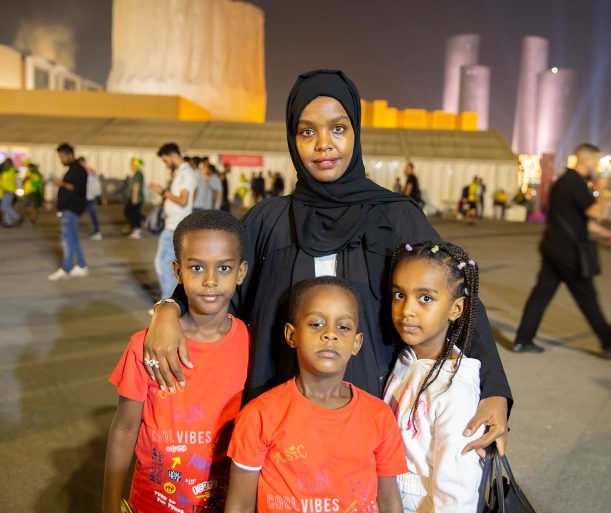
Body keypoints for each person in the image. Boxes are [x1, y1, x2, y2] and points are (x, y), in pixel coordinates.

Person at [145, 70, 511, 456]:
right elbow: (217, 288)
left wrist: (494, 390)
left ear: (355, 133)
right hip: (277, 421)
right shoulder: (268, 220)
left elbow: (454, 295)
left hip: (371, 419)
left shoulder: (396, 216)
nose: (323, 144)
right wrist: (169, 310)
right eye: (307, 132)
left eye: (338, 128)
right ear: (292, 138)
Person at [104, 210, 250, 513]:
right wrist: (108, 504)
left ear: (241, 272)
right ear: (178, 271)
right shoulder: (145, 346)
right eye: (197, 267)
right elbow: (124, 430)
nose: (210, 280)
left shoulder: (253, 346)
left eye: (224, 268)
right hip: (150, 504)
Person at [224, 277, 406, 513]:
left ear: (356, 342)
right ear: (292, 335)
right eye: (316, 324)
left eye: (343, 327)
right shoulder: (260, 415)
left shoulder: (379, 415)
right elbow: (240, 505)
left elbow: (390, 503)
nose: (330, 334)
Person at [384, 241, 484, 512]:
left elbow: (457, 489)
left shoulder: (455, 390)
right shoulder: (408, 357)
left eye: (425, 298)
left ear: (457, 308)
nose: (407, 310)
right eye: (399, 295)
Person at [512, 144, 611, 359]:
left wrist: (604, 233)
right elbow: (595, 212)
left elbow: (574, 220)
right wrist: (604, 189)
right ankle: (609, 343)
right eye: (596, 161)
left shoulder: (564, 183)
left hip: (554, 247)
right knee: (587, 297)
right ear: (586, 160)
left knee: (541, 296)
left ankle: (523, 341)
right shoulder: (575, 183)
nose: (597, 166)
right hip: (568, 253)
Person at [149, 143, 197, 306]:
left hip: (175, 227)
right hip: (173, 225)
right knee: (166, 264)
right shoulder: (181, 173)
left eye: (165, 160)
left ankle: (167, 304)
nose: (165, 164)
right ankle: (170, 301)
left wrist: (163, 192)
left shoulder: (185, 174)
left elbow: (183, 201)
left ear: (171, 155)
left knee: (164, 264)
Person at [48, 143, 89, 281]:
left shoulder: (79, 170)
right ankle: (82, 266)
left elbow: (79, 189)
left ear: (69, 155)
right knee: (73, 239)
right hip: (68, 208)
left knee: (66, 240)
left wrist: (62, 184)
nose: (61, 160)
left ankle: (65, 268)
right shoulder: (71, 169)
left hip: (72, 208)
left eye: (62, 156)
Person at [78, 157, 103, 240]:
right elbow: (97, 184)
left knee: (75, 213)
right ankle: (97, 231)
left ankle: (97, 231)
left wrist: (98, 195)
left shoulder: (83, 172)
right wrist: (98, 194)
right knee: (91, 214)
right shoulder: (90, 171)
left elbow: (95, 184)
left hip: (86, 196)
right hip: (88, 196)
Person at [125, 158, 145, 239]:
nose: (131, 166)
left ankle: (136, 229)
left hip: (137, 197)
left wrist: (134, 197)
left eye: (133, 165)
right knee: (134, 212)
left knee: (132, 213)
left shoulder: (138, 174)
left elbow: (136, 186)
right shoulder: (137, 173)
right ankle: (136, 228)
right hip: (136, 197)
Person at [0, 158, 22, 227]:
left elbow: (15, 177)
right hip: (6, 190)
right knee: (7, 207)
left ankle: (18, 217)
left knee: (3, 207)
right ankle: (9, 222)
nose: (5, 164)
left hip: (9, 191)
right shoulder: (6, 171)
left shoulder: (11, 170)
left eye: (7, 162)